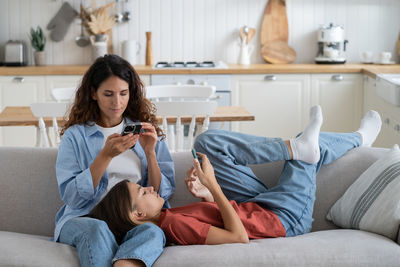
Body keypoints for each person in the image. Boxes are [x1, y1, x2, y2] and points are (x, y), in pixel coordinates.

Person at [89, 106, 382, 245]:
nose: (148, 189)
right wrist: (213, 186)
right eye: (142, 193)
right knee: (306, 148)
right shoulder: (174, 225)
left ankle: (296, 147)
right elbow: (239, 236)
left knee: (205, 143)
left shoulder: (168, 217)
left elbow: (222, 217)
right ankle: (357, 138)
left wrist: (205, 196)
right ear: (138, 215)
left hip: (260, 206)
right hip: (285, 220)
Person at [54, 54, 175, 267]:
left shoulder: (145, 130)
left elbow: (162, 195)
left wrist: (150, 153)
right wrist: (105, 156)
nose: (117, 102)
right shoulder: (76, 136)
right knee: (97, 229)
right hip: (84, 218)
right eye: (108, 94)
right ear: (93, 93)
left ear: (131, 93)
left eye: (123, 93)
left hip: (130, 221)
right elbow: (71, 198)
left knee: (152, 231)